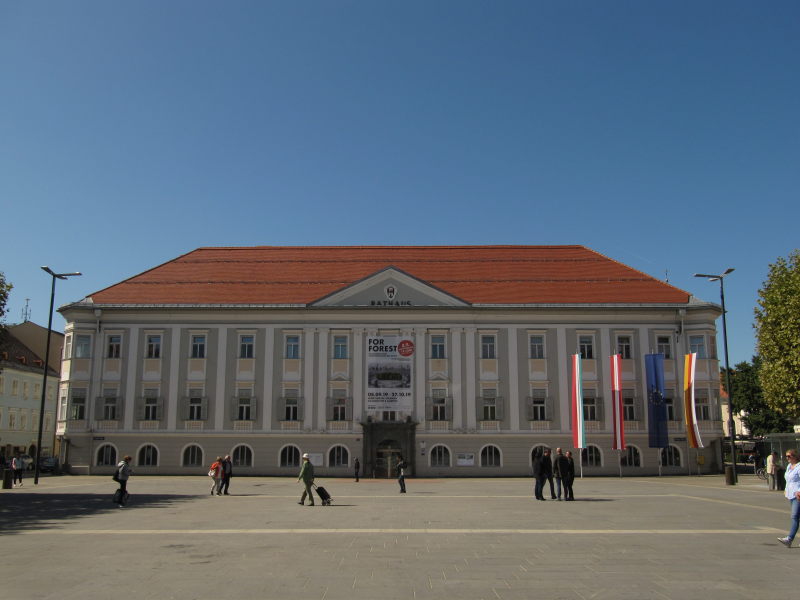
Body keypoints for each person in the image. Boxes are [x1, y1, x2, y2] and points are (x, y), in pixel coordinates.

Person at [778, 449, 800, 548]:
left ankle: (789, 539)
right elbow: (788, 480)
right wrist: (786, 490)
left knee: (794, 516)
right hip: (790, 494)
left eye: (789, 456)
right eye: (786, 456)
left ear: (795, 456)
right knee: (796, 516)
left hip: (797, 495)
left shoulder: (799, 467)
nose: (787, 458)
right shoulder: (789, 467)